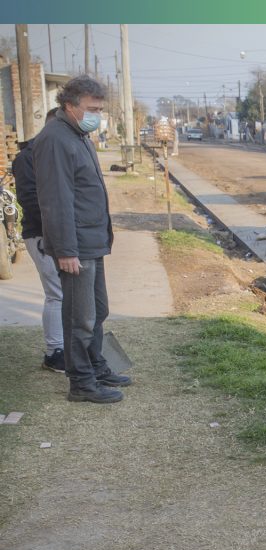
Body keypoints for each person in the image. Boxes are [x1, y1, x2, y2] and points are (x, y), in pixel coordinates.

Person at [34, 75, 132, 404]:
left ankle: (96, 366)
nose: (98, 115)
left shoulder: (79, 134)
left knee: (97, 311)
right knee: (80, 318)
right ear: (70, 105)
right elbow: (55, 199)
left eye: (100, 109)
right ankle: (82, 383)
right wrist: (64, 250)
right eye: (92, 108)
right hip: (75, 245)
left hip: (91, 241)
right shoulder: (55, 139)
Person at [12, 108, 63, 373]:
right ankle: (55, 352)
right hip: (41, 234)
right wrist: (54, 232)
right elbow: (31, 201)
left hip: (61, 235)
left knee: (64, 293)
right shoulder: (28, 157)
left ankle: (64, 347)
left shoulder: (56, 152)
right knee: (56, 293)